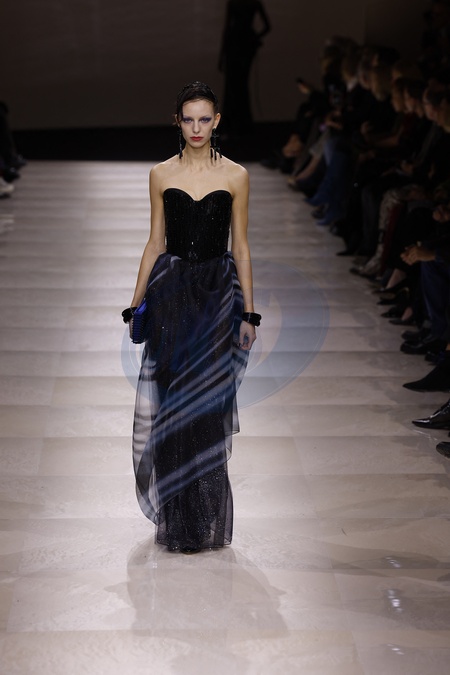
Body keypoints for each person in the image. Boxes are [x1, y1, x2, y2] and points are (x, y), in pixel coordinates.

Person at [122, 82, 259, 554]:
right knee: (172, 405)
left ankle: (204, 518)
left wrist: (250, 312)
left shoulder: (237, 176)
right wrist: (135, 302)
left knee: (207, 405)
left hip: (217, 297)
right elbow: (155, 242)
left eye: (204, 119)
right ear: (177, 121)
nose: (196, 128)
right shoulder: (160, 174)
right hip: (171, 296)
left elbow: (241, 246)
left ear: (216, 120)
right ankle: (177, 519)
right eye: (188, 119)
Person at [218, 0, 271, 135]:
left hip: (234, 44)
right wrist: (254, 37)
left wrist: (221, 56)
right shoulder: (254, 3)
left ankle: (232, 125)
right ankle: (242, 125)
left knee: (232, 86)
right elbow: (267, 26)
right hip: (246, 45)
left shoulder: (234, 3)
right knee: (241, 85)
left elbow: (227, 28)